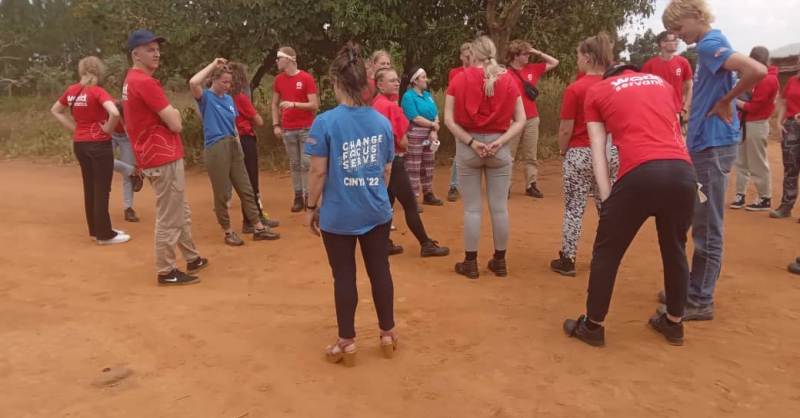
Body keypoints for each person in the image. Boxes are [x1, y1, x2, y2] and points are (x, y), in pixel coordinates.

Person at [562, 58, 698, 348]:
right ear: (635, 72)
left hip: (640, 172)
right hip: (682, 170)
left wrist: (607, 193)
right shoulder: (661, 84)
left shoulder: (598, 91)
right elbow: (678, 130)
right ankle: (674, 323)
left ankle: (593, 326)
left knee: (607, 252)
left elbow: (598, 146)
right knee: (675, 249)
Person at [659, 0, 767, 320]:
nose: (679, 36)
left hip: (712, 145)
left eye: (679, 29)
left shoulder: (709, 44)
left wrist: (726, 101)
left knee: (706, 225)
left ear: (695, 17)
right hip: (709, 144)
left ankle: (700, 298)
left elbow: (757, 70)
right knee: (701, 218)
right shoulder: (711, 44)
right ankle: (694, 287)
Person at [304, 43, 397, 367]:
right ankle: (387, 334)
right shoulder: (382, 123)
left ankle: (348, 342)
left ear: (337, 83)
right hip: (376, 210)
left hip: (339, 213)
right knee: (380, 271)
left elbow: (318, 171)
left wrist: (310, 207)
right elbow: (386, 169)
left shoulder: (325, 122)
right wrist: (375, 195)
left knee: (344, 277)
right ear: (366, 84)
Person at [123, 29, 205, 286]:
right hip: (162, 155)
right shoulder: (146, 83)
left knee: (179, 209)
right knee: (170, 214)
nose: (156, 53)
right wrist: (176, 113)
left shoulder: (131, 80)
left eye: (157, 48)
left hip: (154, 154)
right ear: (135, 54)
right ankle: (166, 270)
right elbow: (176, 123)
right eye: (149, 49)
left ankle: (192, 257)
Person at [444, 36, 526, 279]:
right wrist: (500, 142)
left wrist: (471, 142)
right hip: (499, 148)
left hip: (469, 147)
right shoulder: (508, 79)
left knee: (472, 209)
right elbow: (520, 119)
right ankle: (499, 261)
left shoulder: (459, 79)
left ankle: (470, 263)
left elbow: (448, 120)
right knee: (499, 209)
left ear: (473, 54)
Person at [550, 33, 621, 277]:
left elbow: (565, 128)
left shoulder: (576, 89)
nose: (577, 60)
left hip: (580, 151)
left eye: (579, 55)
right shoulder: (614, 85)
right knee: (607, 208)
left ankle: (567, 258)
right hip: (610, 151)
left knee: (574, 209)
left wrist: (563, 150)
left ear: (587, 57)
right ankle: (607, 259)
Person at [189, 59, 280, 246]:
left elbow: (233, 126)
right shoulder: (205, 97)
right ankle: (228, 230)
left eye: (229, 82)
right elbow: (193, 82)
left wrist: (239, 148)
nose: (228, 85)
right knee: (221, 193)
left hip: (233, 144)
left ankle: (257, 227)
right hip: (216, 146)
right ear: (214, 80)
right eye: (224, 81)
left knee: (246, 189)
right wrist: (212, 66)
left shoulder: (229, 100)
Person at [51, 56, 130, 245]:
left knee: (90, 187)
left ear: (81, 71)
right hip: (99, 144)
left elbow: (55, 110)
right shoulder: (97, 92)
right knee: (102, 189)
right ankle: (104, 234)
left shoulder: (72, 91)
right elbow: (115, 112)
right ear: (99, 72)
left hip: (80, 144)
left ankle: (96, 230)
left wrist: (75, 128)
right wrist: (108, 129)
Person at [373, 67, 450, 258]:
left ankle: (384, 243)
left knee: (386, 203)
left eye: (397, 80)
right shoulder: (391, 107)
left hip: (380, 162)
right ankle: (425, 244)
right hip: (395, 161)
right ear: (379, 85)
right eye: (391, 80)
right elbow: (403, 141)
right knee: (410, 205)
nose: (397, 83)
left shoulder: (375, 104)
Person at [505, 39, 559, 198]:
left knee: (531, 154)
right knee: (508, 154)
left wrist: (536, 52)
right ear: (516, 56)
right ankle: (505, 185)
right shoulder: (506, 72)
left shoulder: (532, 69)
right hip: (513, 119)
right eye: (525, 54)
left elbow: (555, 62)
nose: (528, 56)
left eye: (529, 54)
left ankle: (531, 184)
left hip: (531, 118)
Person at [229, 62, 280, 230]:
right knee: (251, 181)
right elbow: (258, 120)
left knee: (244, 180)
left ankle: (252, 217)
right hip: (245, 139)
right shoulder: (240, 98)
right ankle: (252, 219)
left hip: (231, 141)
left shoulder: (223, 98)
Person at [730, 47, 779, 211]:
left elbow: (754, 107)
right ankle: (740, 194)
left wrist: (734, 100)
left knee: (757, 161)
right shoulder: (757, 77)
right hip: (744, 122)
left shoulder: (767, 79)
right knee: (741, 160)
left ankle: (765, 197)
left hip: (756, 123)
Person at [271, 46, 319, 212]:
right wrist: (276, 124)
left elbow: (314, 104)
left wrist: (293, 104)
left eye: (279, 58)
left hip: (306, 127)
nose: (276, 61)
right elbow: (274, 104)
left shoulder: (306, 78)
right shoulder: (279, 79)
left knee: (306, 163)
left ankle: (308, 197)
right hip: (288, 128)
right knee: (294, 163)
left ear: (288, 59)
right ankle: (298, 196)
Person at [401, 67, 443, 207]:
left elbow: (435, 112)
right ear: (415, 80)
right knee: (414, 165)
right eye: (423, 77)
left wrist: (434, 128)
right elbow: (414, 117)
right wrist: (432, 124)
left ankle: (428, 193)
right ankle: (412, 198)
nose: (426, 79)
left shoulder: (427, 95)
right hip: (415, 134)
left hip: (429, 134)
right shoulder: (408, 96)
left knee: (428, 164)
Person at [642, 31, 694, 133]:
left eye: (676, 40)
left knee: (677, 144)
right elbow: (643, 92)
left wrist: (684, 109)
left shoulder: (683, 62)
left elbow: (690, 86)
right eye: (673, 40)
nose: (676, 43)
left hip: (676, 112)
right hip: (656, 113)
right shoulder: (649, 65)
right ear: (663, 44)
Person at [769, 62, 800, 219]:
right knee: (790, 168)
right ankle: (786, 206)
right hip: (792, 127)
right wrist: (779, 122)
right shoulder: (793, 81)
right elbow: (784, 102)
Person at [446, 43, 473, 202]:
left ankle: (468, 185)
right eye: (466, 56)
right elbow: (455, 93)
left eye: (471, 55)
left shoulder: (479, 71)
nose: (469, 59)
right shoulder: (455, 73)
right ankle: (454, 185)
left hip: (476, 118)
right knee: (461, 151)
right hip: (459, 118)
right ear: (461, 56)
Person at [112, 101, 144, 223]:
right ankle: (132, 172)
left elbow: (137, 141)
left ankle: (128, 208)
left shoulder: (133, 115)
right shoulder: (108, 107)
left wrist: (138, 163)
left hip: (127, 137)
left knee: (126, 177)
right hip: (110, 134)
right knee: (102, 161)